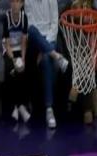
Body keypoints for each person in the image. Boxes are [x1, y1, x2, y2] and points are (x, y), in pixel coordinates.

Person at [25, 0, 69, 129]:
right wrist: (44, 47)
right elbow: (30, 24)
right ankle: (57, 57)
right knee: (31, 29)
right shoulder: (28, 1)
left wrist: (45, 47)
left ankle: (49, 109)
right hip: (35, 39)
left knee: (45, 59)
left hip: (50, 38)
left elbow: (54, 24)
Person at [3, 0, 31, 123]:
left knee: (24, 70)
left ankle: (21, 106)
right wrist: (14, 60)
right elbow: (7, 44)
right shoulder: (6, 18)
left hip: (20, 49)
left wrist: (23, 59)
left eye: (18, 2)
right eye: (13, 2)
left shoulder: (24, 18)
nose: (15, 5)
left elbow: (24, 42)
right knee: (11, 70)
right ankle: (14, 106)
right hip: (9, 50)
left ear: (22, 4)